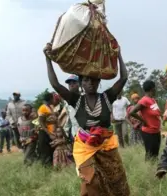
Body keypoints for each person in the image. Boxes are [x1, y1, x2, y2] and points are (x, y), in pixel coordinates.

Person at [44, 43, 130, 195]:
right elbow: (55, 84)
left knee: (117, 181)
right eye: (86, 80)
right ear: (81, 83)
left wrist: (119, 54)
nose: (90, 83)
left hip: (106, 146)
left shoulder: (107, 97)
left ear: (99, 82)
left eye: (94, 80)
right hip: (84, 147)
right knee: (91, 182)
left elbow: (123, 77)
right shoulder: (76, 100)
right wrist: (47, 59)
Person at [128, 80, 162, 161]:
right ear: (152, 89)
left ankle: (154, 170)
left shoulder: (152, 100)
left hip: (156, 131)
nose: (156, 90)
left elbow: (156, 114)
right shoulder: (144, 100)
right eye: (155, 88)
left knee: (155, 154)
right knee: (150, 155)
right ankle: (149, 170)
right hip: (149, 132)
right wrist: (143, 121)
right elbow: (132, 112)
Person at [37, 92, 60, 166]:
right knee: (45, 149)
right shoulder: (42, 108)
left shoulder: (51, 106)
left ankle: (51, 164)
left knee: (51, 149)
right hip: (44, 132)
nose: (54, 99)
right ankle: (46, 165)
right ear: (50, 99)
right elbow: (41, 123)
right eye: (53, 98)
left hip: (52, 132)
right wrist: (49, 133)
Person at [63, 74, 81, 143]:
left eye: (74, 83)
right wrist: (66, 134)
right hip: (75, 134)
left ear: (79, 84)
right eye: (69, 84)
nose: (71, 85)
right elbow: (68, 119)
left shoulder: (85, 97)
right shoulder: (67, 101)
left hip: (87, 133)